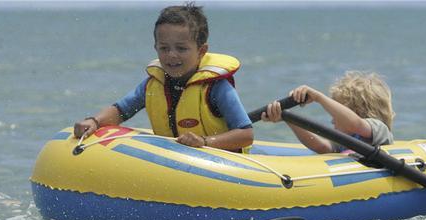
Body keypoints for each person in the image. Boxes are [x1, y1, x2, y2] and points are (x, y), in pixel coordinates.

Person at [73, 2, 253, 152]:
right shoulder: (153, 85)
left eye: (181, 48)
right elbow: (121, 110)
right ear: (156, 48)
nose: (171, 55)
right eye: (164, 48)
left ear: (201, 51)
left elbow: (246, 135)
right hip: (172, 164)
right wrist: (94, 121)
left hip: (221, 165)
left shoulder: (216, 88)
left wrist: (204, 141)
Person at [261, 71, 395, 153]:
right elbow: (322, 147)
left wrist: (318, 97)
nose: (332, 119)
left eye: (335, 112)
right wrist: (287, 117)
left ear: (358, 111)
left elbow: (354, 124)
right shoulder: (346, 139)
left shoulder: (379, 129)